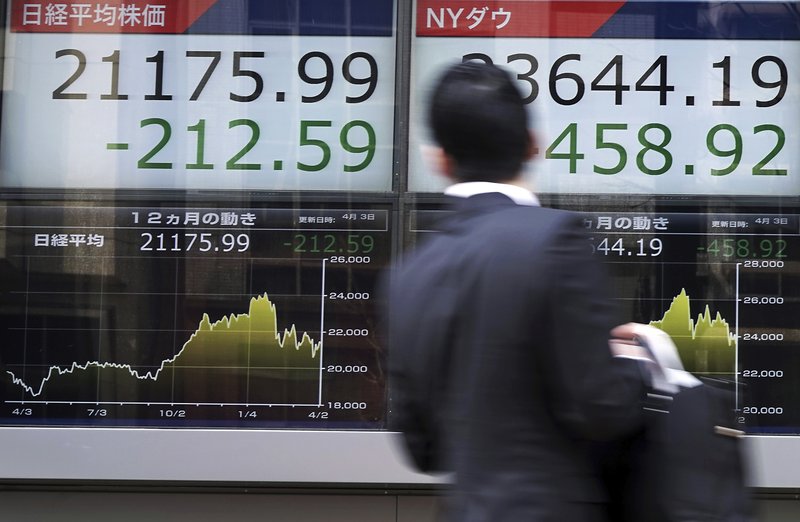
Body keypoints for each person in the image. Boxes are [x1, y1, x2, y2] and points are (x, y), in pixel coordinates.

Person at [385, 62, 650, 521]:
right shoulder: (557, 240)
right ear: (533, 145)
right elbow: (601, 409)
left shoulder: (408, 274)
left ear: (440, 159)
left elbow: (423, 448)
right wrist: (638, 367)